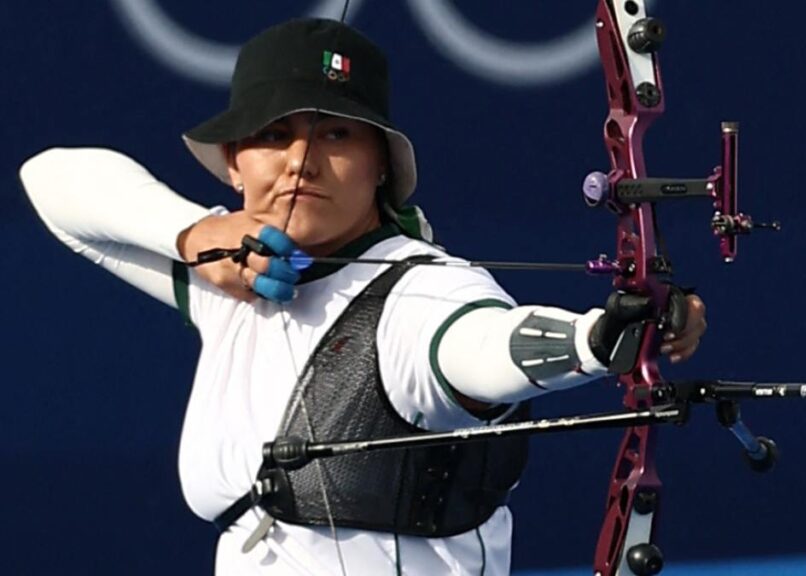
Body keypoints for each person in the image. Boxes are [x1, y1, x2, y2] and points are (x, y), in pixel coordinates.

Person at [20, 18, 706, 576]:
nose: (300, 161)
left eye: (336, 134)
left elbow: (478, 347)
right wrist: (192, 233)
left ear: (381, 164)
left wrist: (594, 340)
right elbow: (51, 180)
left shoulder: (426, 291)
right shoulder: (231, 278)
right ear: (234, 163)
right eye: (271, 136)